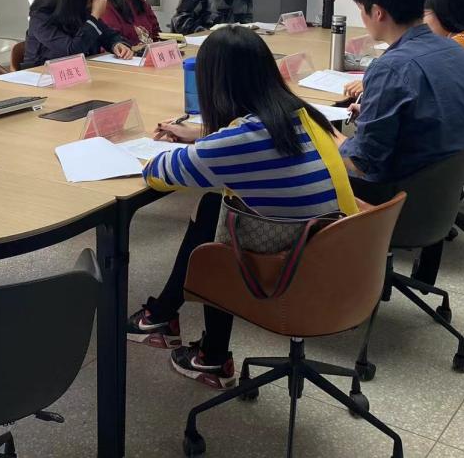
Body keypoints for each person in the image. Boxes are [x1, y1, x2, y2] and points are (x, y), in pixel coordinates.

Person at [126, 26, 358, 390]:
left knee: (216, 231)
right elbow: (242, 144)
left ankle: (207, 353)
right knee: (212, 206)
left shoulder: (244, 139)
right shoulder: (300, 114)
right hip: (343, 254)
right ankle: (166, 318)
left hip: (299, 274)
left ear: (215, 85)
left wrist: (190, 146)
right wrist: (203, 136)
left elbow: (158, 174)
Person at [331, 0, 464, 286]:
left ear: (377, 12)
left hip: (394, 203)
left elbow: (363, 163)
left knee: (305, 158)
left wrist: (327, 136)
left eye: (361, 9)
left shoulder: (391, 68)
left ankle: (318, 286)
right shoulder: (458, 52)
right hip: (437, 200)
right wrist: (374, 112)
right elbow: (433, 118)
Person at [22, 0, 134, 68]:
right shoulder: (41, 16)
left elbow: (108, 35)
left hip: (82, 71)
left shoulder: (80, 7)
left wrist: (116, 44)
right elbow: (72, 51)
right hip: (41, 74)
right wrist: (95, 16)